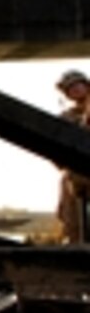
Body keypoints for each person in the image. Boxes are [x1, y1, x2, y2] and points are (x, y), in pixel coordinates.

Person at [55, 69, 90, 243]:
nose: (75, 90)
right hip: (76, 176)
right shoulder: (66, 117)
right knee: (73, 221)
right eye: (70, 88)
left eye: (77, 85)